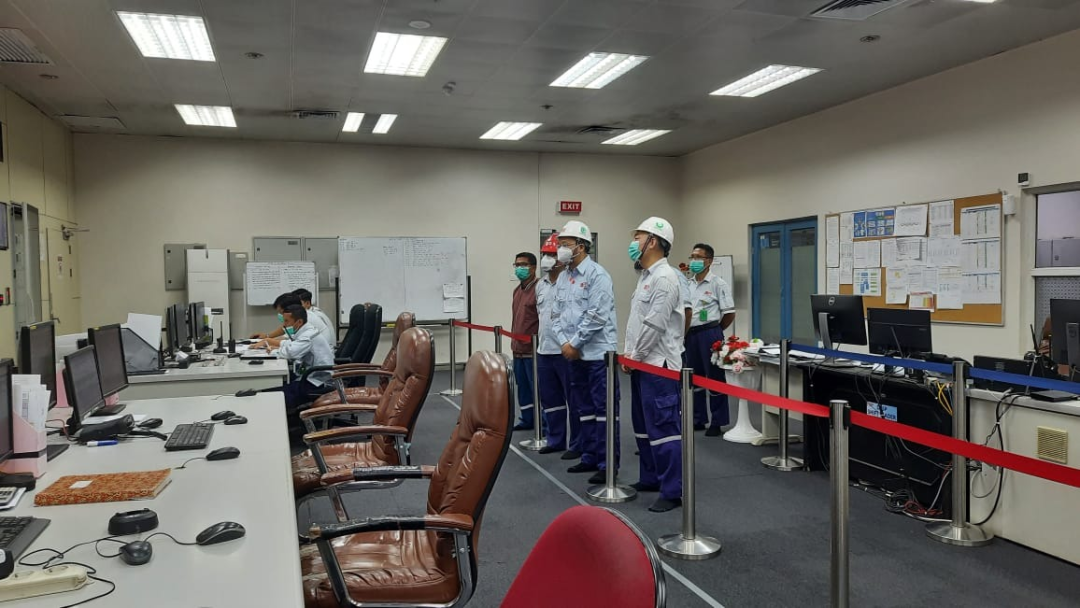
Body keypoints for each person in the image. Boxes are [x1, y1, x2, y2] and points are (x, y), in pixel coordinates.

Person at [623, 217, 684, 513]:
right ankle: (650, 477)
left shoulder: (665, 278)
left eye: (639, 237)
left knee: (664, 428)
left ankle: (672, 490)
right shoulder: (646, 276)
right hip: (641, 363)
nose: (633, 243)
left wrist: (634, 357)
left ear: (654, 241)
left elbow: (655, 324)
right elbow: (636, 322)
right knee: (644, 427)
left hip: (659, 366)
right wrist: (630, 355)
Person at [551, 220, 619, 486]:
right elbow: (555, 315)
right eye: (560, 244)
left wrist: (575, 343)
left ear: (581, 246)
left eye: (565, 244)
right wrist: (564, 343)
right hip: (574, 354)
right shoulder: (563, 277)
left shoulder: (597, 275)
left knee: (604, 411)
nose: (560, 249)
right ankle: (589, 456)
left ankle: (607, 464)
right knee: (584, 409)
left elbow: (597, 315)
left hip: (598, 356)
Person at [685, 243, 736, 435]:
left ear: (709, 261)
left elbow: (729, 313)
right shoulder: (688, 284)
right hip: (691, 334)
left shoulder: (718, 283)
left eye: (698, 257)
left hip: (710, 333)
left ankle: (717, 421)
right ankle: (698, 418)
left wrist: (716, 330)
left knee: (715, 376)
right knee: (694, 377)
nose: (694, 261)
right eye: (692, 257)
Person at [535, 234, 574, 456]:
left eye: (551, 254)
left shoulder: (570, 282)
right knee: (550, 400)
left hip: (565, 351)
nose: (546, 259)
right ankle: (555, 439)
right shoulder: (540, 285)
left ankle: (577, 444)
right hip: (544, 350)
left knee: (574, 399)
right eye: (544, 254)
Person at [254, 304, 334, 408]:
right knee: (274, 386)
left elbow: (291, 352)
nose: (284, 325)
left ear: (299, 322)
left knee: (276, 395)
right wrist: (276, 346)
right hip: (308, 374)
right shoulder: (305, 330)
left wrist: (272, 351)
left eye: (286, 321)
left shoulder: (307, 336)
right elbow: (293, 344)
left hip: (317, 381)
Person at [511, 251, 540, 431]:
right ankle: (527, 419)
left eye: (524, 265)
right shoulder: (517, 291)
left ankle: (543, 424)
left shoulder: (539, 289)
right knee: (522, 387)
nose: (520, 268)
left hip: (533, 351)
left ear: (533, 268)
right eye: (517, 265)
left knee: (537, 388)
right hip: (518, 349)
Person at [250, 292, 332, 346]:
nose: (281, 316)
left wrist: (268, 341)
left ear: (290, 309)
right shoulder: (301, 315)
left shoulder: (306, 320)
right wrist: (267, 337)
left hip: (318, 364)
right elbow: (287, 334)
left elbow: (293, 344)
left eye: (281, 312)